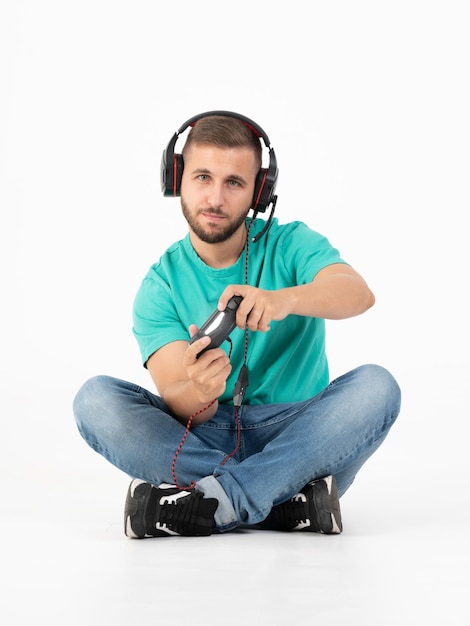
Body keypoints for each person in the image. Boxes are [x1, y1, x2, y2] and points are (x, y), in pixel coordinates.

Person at [73, 110, 401, 539]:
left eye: (234, 183)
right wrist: (201, 391)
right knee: (95, 400)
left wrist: (283, 300)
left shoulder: (290, 242)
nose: (215, 198)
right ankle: (284, 502)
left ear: (258, 192)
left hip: (299, 435)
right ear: (177, 179)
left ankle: (210, 503)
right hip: (204, 437)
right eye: (203, 177)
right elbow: (177, 398)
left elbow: (358, 294)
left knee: (377, 386)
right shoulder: (159, 285)